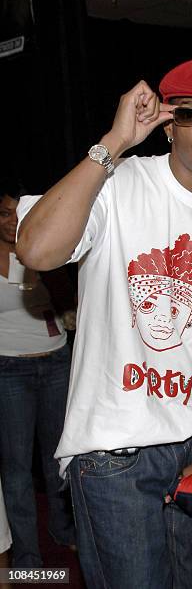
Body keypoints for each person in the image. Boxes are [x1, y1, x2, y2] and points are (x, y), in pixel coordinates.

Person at [16, 59, 192, 588]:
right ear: (168, 126)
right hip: (115, 454)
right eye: (190, 114)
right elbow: (36, 248)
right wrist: (113, 142)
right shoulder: (116, 184)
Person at [0, 181, 75, 568]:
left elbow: (68, 299)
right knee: (15, 468)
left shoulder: (42, 247)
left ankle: (62, 530)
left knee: (56, 458)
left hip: (55, 360)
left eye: (17, 210)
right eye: (4, 214)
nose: (12, 219)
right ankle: (27, 555)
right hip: (9, 368)